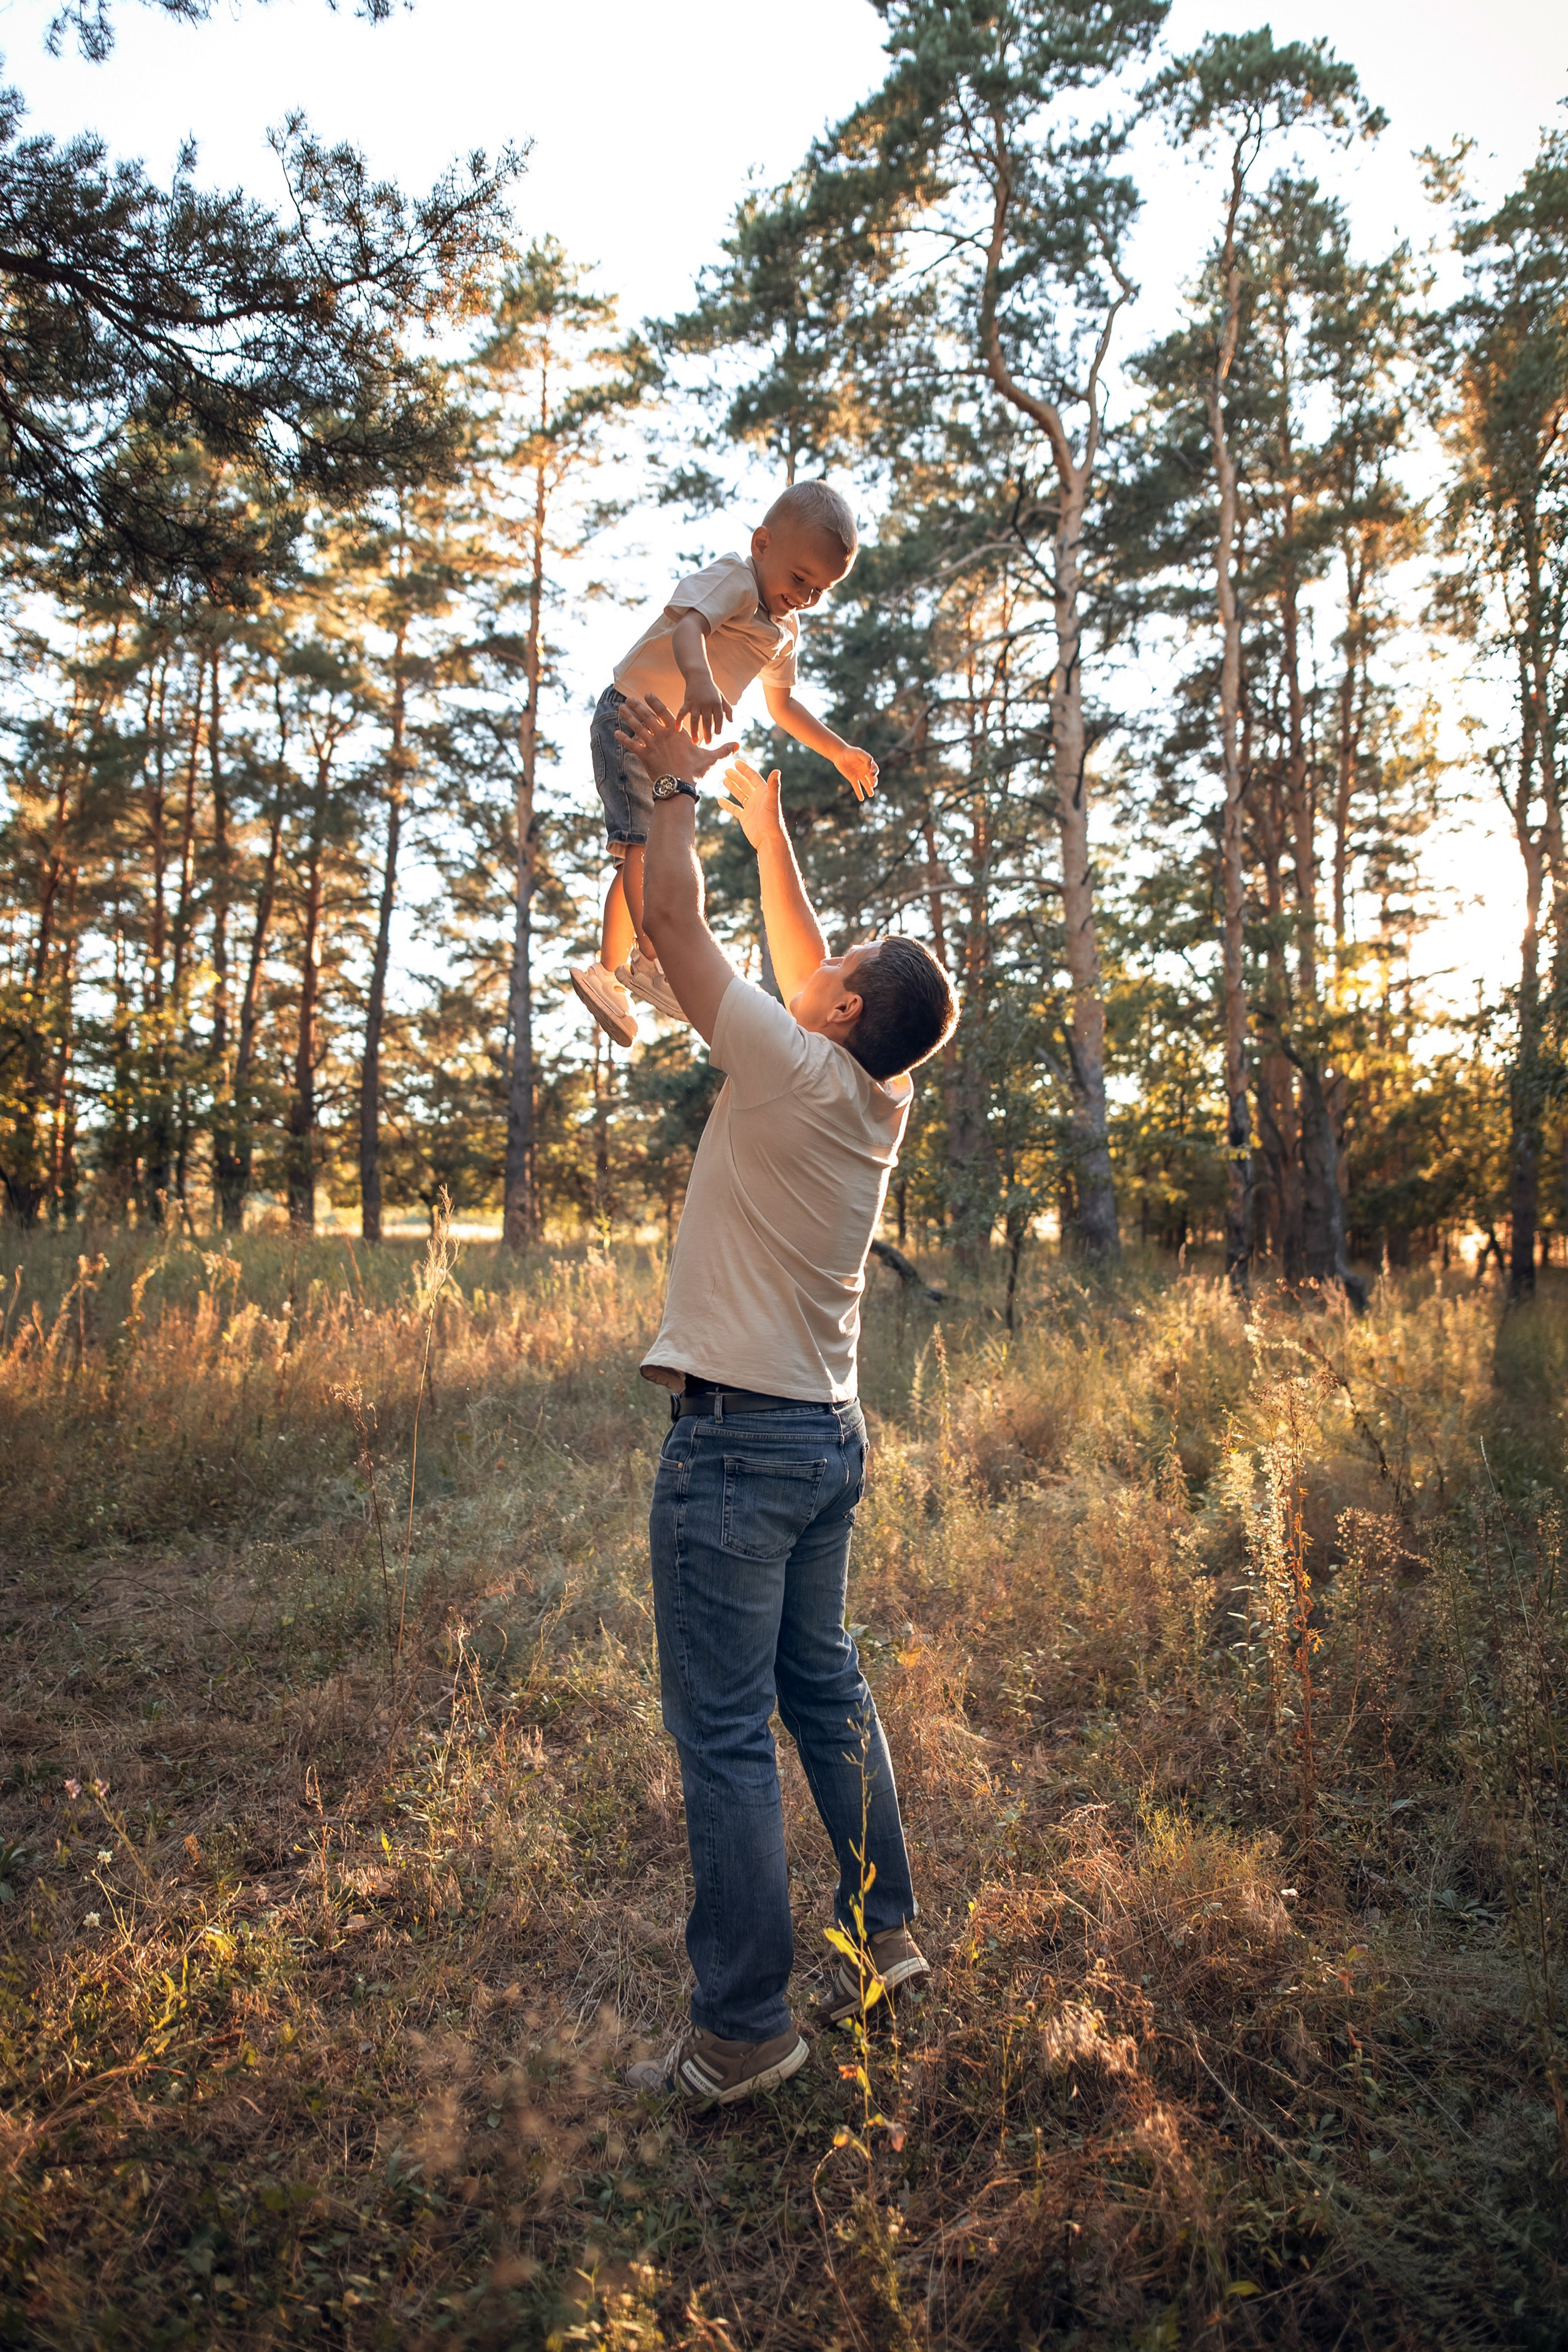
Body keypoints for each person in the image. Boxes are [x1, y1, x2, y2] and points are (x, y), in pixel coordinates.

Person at [609, 689, 958, 2109]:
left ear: (846, 1010)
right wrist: (773, 827)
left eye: (842, 963)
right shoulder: (876, 1094)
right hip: (825, 1437)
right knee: (821, 1686)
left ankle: (744, 2030)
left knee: (724, 1736)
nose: (819, 962)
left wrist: (678, 790)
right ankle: (886, 1933)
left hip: (740, 1453)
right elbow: (806, 956)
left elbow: (682, 936)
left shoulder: (784, 1066)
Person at [568, 480, 879, 1050]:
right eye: (800, 579)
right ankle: (655, 956)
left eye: (821, 589)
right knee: (648, 843)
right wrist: (700, 678)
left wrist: (838, 749)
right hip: (633, 717)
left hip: (669, 745)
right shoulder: (734, 578)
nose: (805, 596)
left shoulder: (784, 630)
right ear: (762, 544)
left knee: (645, 847)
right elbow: (688, 625)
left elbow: (781, 704)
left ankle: (609, 974)